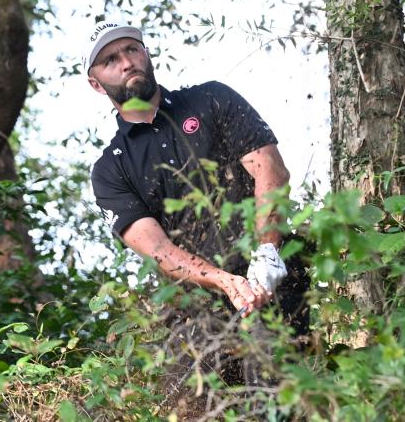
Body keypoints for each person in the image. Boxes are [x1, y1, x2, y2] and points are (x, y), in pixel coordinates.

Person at [85, 22, 291, 315]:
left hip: (276, 275)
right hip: (200, 312)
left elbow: (270, 168)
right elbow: (158, 250)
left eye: (132, 49)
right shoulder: (110, 169)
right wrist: (225, 282)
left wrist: (267, 250)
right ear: (96, 83)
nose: (128, 63)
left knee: (297, 356)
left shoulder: (211, 99)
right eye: (111, 60)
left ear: (147, 54)